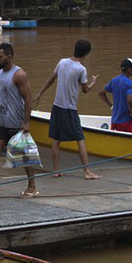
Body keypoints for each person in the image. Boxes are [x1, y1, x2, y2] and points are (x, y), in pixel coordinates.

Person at [34, 39, 100, 179]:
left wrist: (40, 94)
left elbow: (51, 79)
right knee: (80, 138)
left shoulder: (62, 62)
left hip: (57, 106)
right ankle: (87, 172)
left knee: (56, 140)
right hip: (69, 109)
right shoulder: (81, 69)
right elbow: (86, 90)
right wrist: (93, 82)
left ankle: (56, 171)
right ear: (86, 53)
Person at [0, 43, 38, 199]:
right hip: (1, 122)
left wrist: (26, 122)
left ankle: (32, 186)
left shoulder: (19, 75)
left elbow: (28, 99)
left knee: (23, 156)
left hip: (16, 123)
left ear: (9, 57)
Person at [99, 58, 132, 133]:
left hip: (114, 121)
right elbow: (130, 100)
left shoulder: (114, 81)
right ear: (129, 70)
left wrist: (111, 105)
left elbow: (101, 93)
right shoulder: (130, 84)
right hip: (126, 121)